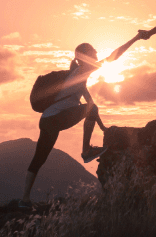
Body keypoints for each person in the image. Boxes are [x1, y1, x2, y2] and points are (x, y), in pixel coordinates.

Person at [20, 35, 140, 207]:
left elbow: (91, 105)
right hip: (56, 118)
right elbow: (114, 57)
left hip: (47, 119)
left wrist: (102, 127)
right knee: (91, 109)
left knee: (39, 158)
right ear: (85, 56)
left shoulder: (77, 77)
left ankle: (24, 199)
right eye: (93, 51)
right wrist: (134, 39)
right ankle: (86, 151)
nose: (97, 53)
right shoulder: (83, 70)